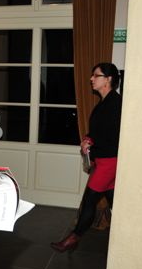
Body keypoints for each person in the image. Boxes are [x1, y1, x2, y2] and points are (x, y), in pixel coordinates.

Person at [51, 62, 122, 252]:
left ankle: (73, 238)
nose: (91, 79)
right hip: (104, 160)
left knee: (90, 199)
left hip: (109, 161)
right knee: (114, 201)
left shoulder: (116, 104)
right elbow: (97, 131)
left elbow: (113, 137)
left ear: (108, 79)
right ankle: (127, 236)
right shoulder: (104, 102)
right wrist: (87, 139)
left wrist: (92, 144)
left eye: (96, 75)